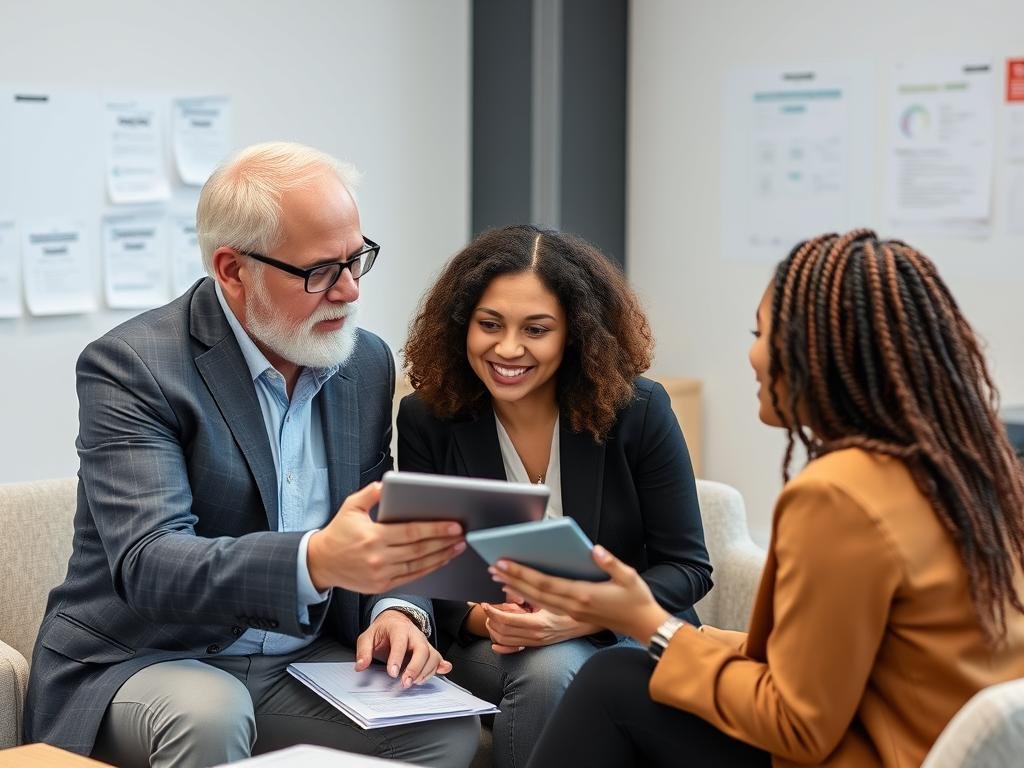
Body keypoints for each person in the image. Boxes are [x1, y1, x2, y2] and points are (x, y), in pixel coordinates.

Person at [23, 142, 481, 768]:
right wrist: (315, 559)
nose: (349, 290)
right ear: (233, 270)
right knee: (211, 713)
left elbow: (381, 521)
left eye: (356, 260)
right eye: (320, 271)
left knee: (441, 731)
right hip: (148, 657)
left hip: (295, 659)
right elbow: (150, 562)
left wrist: (396, 610)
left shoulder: (364, 362)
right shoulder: (134, 366)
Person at [492, 229, 1024, 768]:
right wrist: (654, 626)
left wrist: (649, 623)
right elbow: (825, 664)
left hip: (866, 753)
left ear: (815, 351)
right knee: (623, 676)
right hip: (914, 740)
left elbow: (797, 724)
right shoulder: (967, 471)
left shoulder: (838, 495)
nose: (752, 355)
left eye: (760, 333)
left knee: (614, 681)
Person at [398, 224, 713, 768]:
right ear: (461, 325)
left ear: (575, 333)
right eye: (489, 324)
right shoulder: (428, 418)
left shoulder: (639, 411)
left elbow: (686, 568)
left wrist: (581, 616)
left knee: (563, 665)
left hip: (627, 629)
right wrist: (487, 618)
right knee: (548, 670)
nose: (508, 348)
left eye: (536, 329)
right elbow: (426, 567)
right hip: (496, 641)